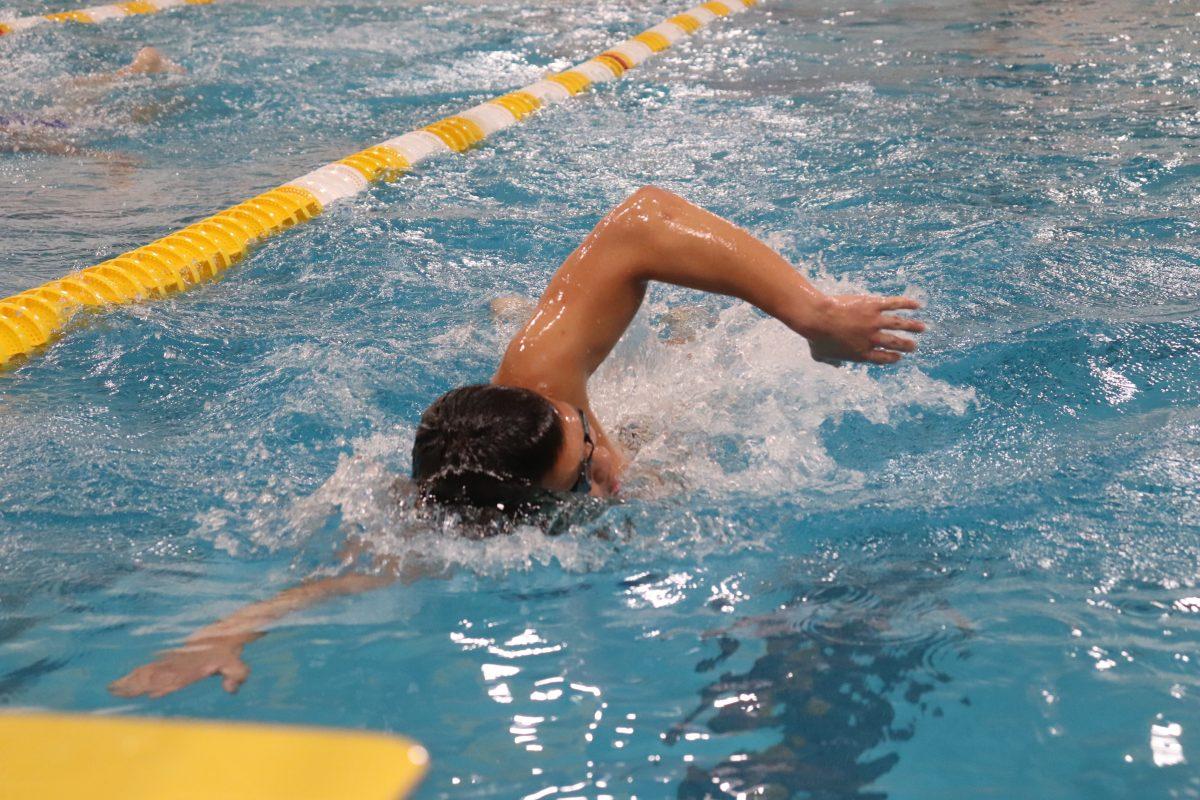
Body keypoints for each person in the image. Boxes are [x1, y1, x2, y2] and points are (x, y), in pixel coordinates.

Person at [110, 186, 925, 698]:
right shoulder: (446, 532)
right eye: (581, 453)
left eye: (573, 423)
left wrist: (811, 315)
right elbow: (326, 588)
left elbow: (643, 218)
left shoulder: (537, 386)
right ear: (556, 502)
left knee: (653, 390)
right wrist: (226, 632)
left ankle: (623, 326)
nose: (585, 429)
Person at [1, 46, 183, 157]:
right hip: (38, 121)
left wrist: (101, 157)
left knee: (130, 118)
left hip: (58, 128)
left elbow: (34, 138)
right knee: (76, 98)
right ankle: (138, 69)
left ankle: (172, 89)